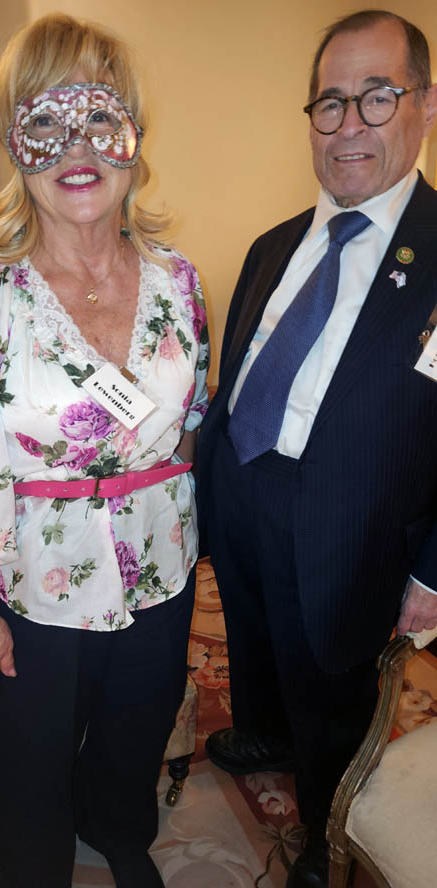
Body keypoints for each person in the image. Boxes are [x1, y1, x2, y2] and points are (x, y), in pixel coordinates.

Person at [0, 13, 209, 888]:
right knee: (28, 764)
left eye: (100, 116)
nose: (76, 147)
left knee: (135, 734)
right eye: (44, 122)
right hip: (31, 591)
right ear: (15, 146)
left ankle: (117, 830)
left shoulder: (178, 279)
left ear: (132, 135)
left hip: (162, 572)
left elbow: (190, 419)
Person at [197, 10, 437, 888]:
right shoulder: (272, 246)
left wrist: (434, 572)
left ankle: (323, 835)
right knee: (257, 642)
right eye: (329, 104)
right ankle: (264, 727)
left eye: (378, 98)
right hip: (246, 493)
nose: (350, 127)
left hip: (351, 526)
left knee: (332, 688)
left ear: (427, 104)